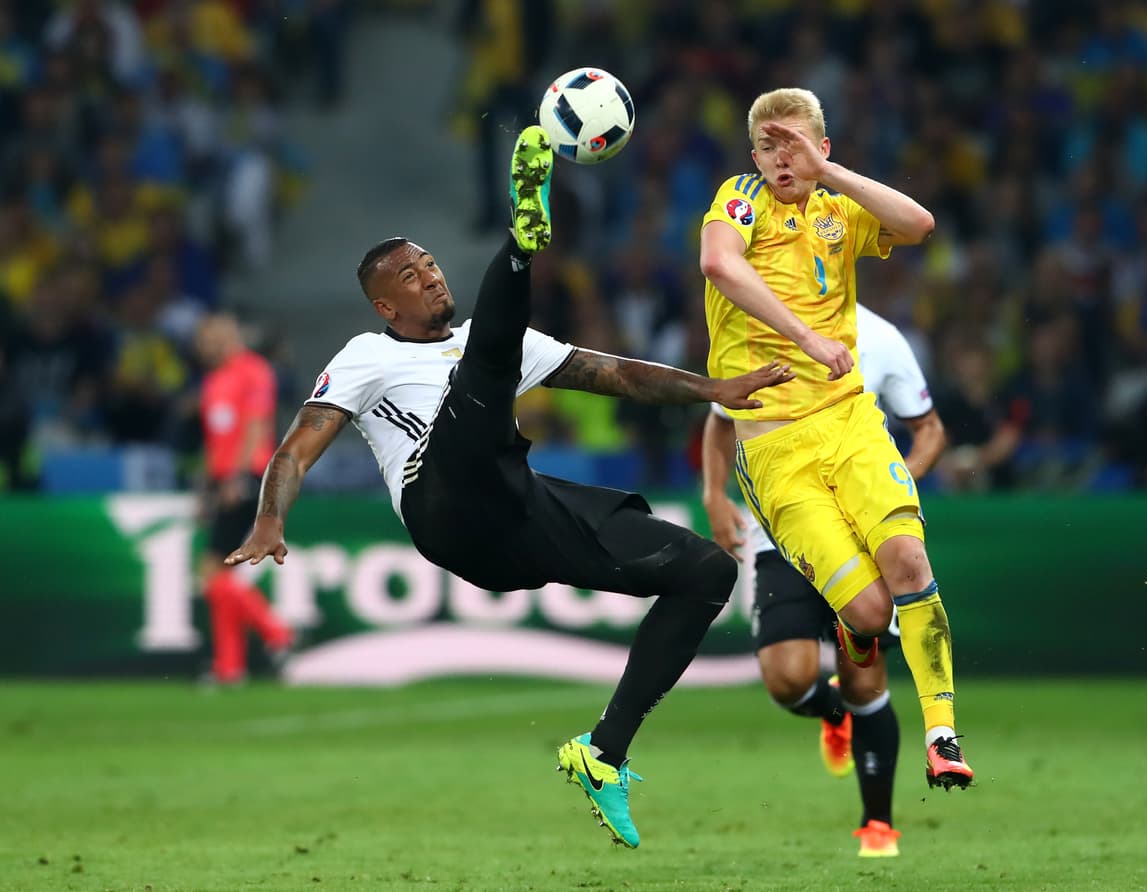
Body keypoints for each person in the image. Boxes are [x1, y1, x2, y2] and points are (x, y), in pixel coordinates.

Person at [224, 126, 794, 849]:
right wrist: (271, 518)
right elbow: (296, 448)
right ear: (384, 307)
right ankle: (522, 242)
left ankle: (605, 752)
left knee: (706, 572)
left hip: (515, 513)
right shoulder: (365, 357)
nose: (429, 275)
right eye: (409, 274)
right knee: (482, 378)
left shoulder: (499, 343)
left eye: (429, 263)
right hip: (444, 505)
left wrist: (716, 386)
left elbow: (614, 373)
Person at [698, 87, 973, 790]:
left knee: (909, 562)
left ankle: (942, 732)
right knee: (870, 614)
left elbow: (919, 223)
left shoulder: (837, 209)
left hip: (850, 422)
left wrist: (833, 173)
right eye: (765, 146)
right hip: (776, 446)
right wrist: (807, 339)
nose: (776, 160)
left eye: (790, 144)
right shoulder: (738, 200)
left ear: (820, 147)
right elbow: (719, 266)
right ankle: (855, 649)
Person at [702, 302, 946, 857]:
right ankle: (829, 713)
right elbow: (720, 417)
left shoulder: (882, 337)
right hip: (780, 536)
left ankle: (877, 825)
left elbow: (929, 429)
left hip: (858, 540)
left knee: (865, 681)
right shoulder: (753, 324)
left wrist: (888, 486)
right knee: (786, 680)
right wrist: (714, 495)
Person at [195, 313, 294, 685]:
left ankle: (275, 633)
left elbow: (256, 426)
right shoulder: (214, 379)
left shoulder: (254, 371)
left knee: (212, 572)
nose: (204, 345)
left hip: (248, 477)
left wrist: (238, 477)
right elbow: (215, 439)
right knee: (220, 575)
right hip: (224, 481)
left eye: (211, 337)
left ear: (230, 335)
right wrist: (207, 488)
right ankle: (231, 666)